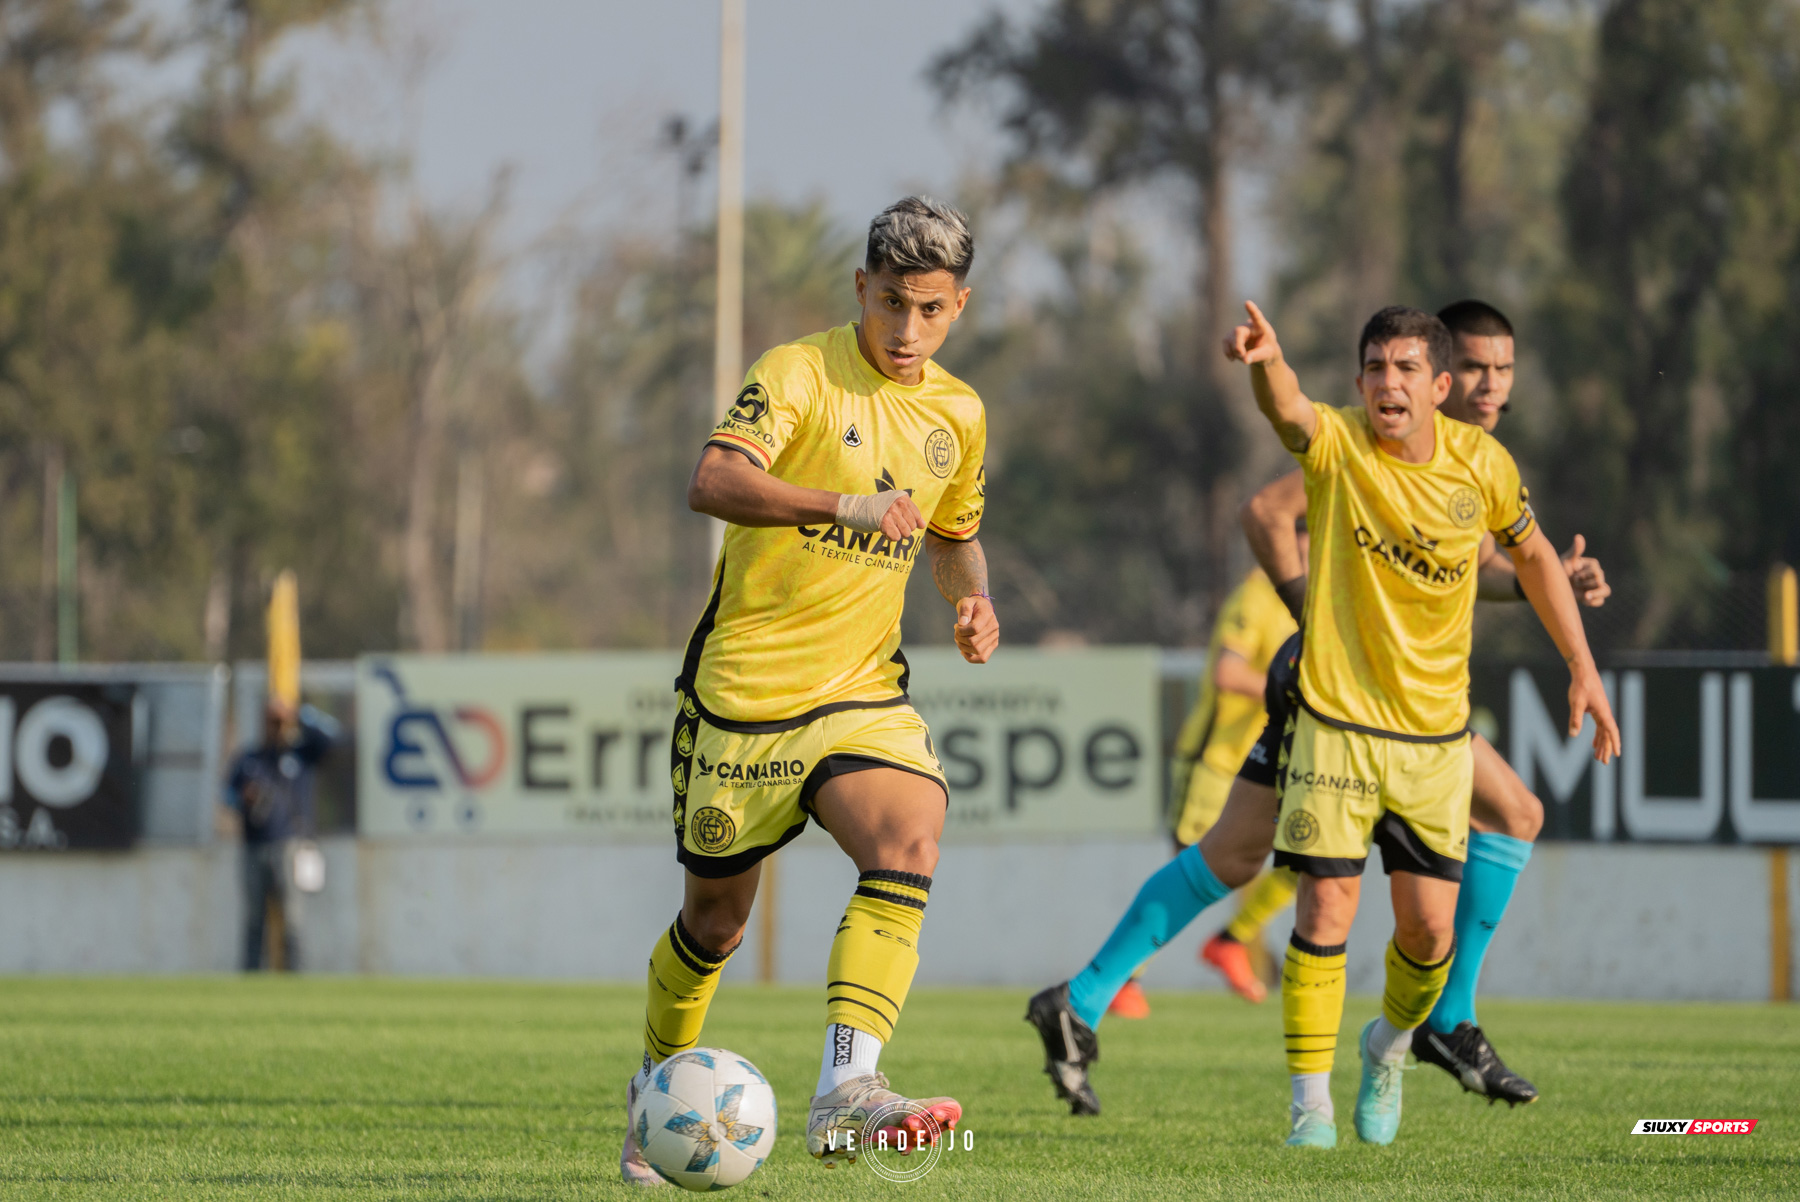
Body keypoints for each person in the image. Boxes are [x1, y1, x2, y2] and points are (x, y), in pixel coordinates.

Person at [1028, 304, 1617, 1149]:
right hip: (1332, 701)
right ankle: (1375, 1065)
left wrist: (1555, 593)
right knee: (1347, 885)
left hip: (1421, 724)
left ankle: (1081, 1000)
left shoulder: (1483, 470)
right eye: (1479, 368)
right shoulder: (1349, 441)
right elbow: (1271, 504)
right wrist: (1313, 615)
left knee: (1251, 859)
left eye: (1504, 370)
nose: (1493, 386)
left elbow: (1479, 562)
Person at [621, 196, 999, 1185]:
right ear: (860, 289)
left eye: (928, 308)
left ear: (958, 304)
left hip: (861, 691)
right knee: (717, 923)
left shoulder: (958, 412)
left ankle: (847, 1087)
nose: (906, 329)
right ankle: (654, 1087)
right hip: (744, 694)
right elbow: (713, 478)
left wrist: (974, 601)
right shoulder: (796, 373)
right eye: (889, 303)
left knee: (911, 831)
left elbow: (952, 537)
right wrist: (844, 504)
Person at [1234, 298, 1609, 1104]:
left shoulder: (1483, 467)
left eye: (1406, 369)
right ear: (1360, 382)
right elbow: (1290, 416)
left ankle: (1393, 1043)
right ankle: (1309, 1110)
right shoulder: (1338, 442)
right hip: (1335, 723)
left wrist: (1582, 664)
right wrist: (1269, 364)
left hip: (1433, 740)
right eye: (1374, 368)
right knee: (1324, 904)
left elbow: (1534, 556)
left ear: (1436, 386)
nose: (1387, 383)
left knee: (1428, 932)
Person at [1113, 547, 1304, 1018]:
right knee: (1188, 871)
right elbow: (1228, 672)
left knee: (1308, 855)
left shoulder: (1304, 605)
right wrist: (1294, 689)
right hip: (1214, 764)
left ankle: (1232, 940)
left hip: (1269, 765)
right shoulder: (1254, 599)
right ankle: (1123, 977)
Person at [224, 700, 337, 972]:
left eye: (279, 722)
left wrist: (299, 714)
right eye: (271, 721)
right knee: (254, 920)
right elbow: (226, 795)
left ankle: (294, 979)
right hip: (254, 847)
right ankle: (251, 980)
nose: (275, 728)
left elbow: (332, 737)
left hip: (290, 846)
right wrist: (243, 798)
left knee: (293, 919)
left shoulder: (300, 755)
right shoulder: (250, 759)